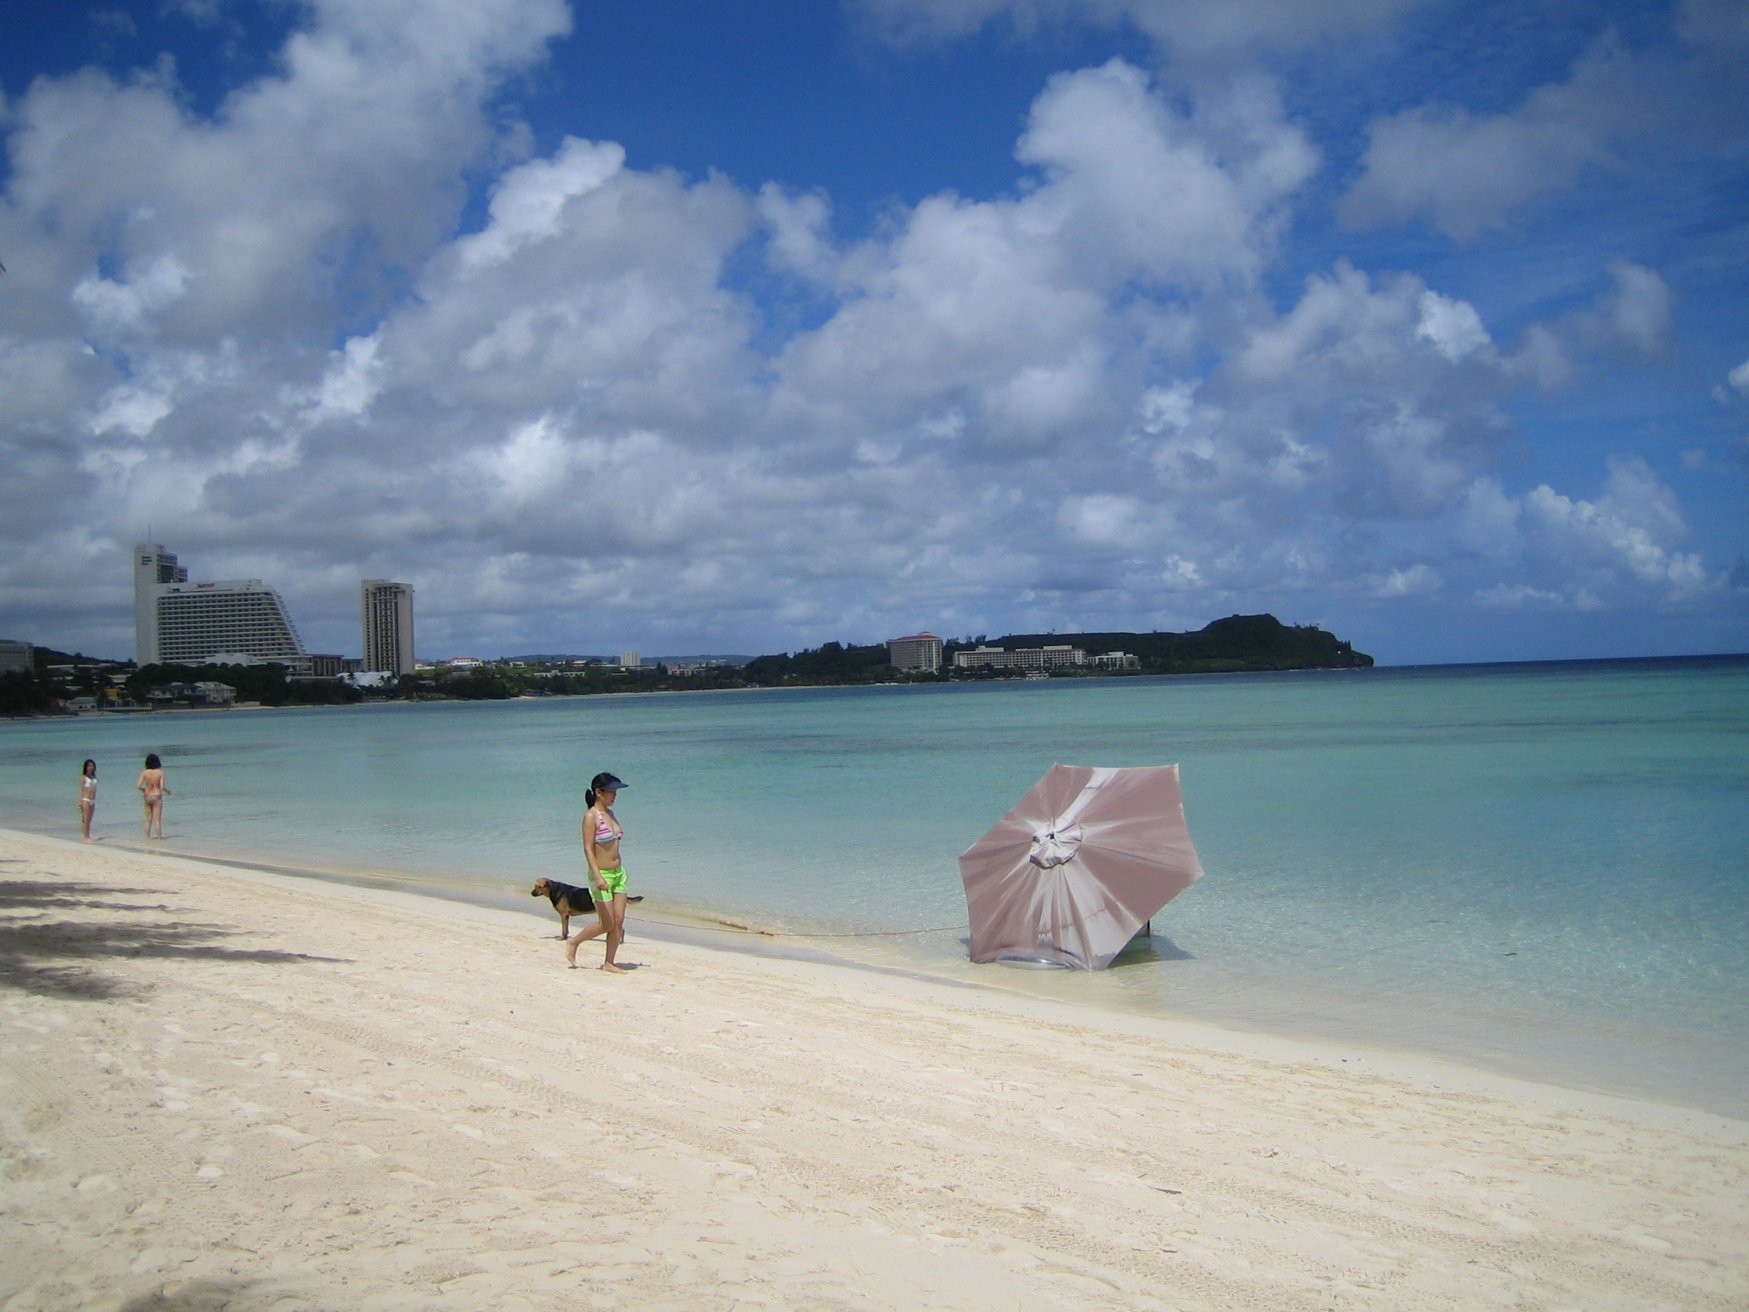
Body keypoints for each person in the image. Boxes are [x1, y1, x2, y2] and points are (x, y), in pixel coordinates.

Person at [565, 771, 632, 973]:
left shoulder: (610, 814)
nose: (615, 795)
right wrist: (598, 876)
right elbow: (588, 849)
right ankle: (574, 942)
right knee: (607, 923)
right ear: (599, 792)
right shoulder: (590, 817)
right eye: (612, 791)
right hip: (600, 875)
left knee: (618, 921)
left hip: (619, 873)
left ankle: (609, 962)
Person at [137, 752, 170, 839]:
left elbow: (138, 786)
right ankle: (159, 838)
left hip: (147, 796)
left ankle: (147, 838)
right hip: (157, 796)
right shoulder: (160, 773)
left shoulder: (144, 773)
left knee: (148, 820)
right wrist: (168, 791)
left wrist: (144, 790)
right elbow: (162, 787)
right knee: (157, 820)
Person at [78, 759, 98, 841]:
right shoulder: (83, 777)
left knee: (89, 820)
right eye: (89, 766)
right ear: (86, 767)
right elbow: (81, 790)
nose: (91, 767)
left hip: (92, 800)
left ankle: (88, 835)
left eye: (92, 766)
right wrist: (80, 801)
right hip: (86, 799)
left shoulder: (94, 777)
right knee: (85, 819)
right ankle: (86, 837)